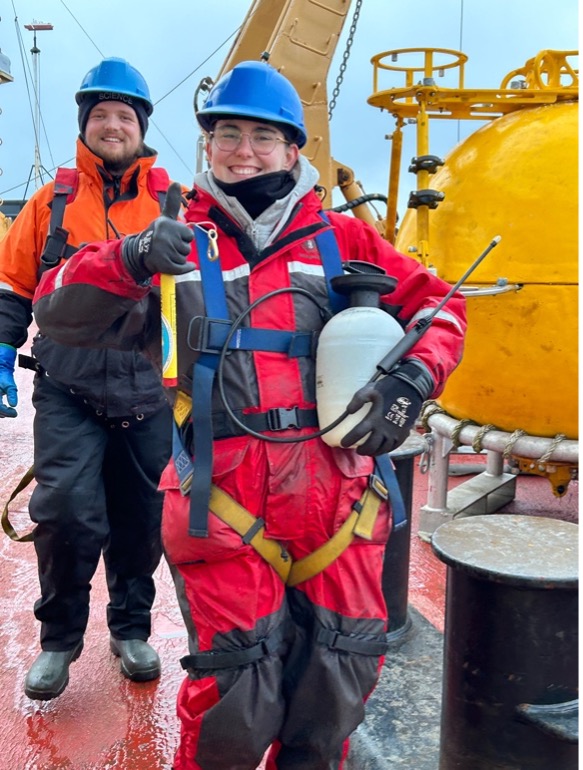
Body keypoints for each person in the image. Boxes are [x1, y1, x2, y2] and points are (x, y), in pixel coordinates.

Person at [33, 60, 466, 769]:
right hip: (223, 502)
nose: (242, 149)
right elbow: (58, 311)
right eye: (227, 133)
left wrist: (416, 374)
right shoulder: (172, 240)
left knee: (338, 679)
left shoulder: (343, 241)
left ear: (293, 150)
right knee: (235, 696)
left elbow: (440, 305)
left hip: (341, 501)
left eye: (262, 136)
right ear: (206, 146)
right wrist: (131, 256)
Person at [0, 57, 179, 701]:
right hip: (66, 388)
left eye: (123, 116)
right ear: (85, 125)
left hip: (148, 390)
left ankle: (130, 630)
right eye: (100, 115)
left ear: (141, 128)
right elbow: (13, 285)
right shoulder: (53, 203)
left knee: (143, 519)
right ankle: (58, 643)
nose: (112, 126)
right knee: (68, 515)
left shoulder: (171, 200)